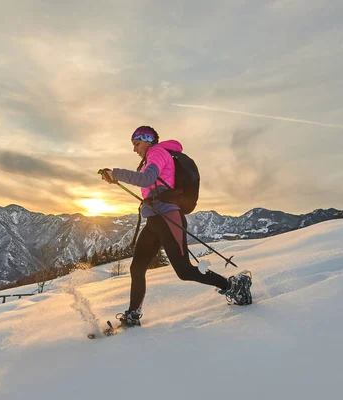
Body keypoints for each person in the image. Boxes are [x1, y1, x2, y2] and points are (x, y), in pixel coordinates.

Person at [101, 126, 252, 327]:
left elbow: (147, 179)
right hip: (154, 221)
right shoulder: (150, 159)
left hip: (168, 219)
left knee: (184, 271)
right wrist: (115, 179)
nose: (135, 150)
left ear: (147, 141)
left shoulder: (158, 153)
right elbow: (149, 183)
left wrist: (116, 173)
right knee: (137, 267)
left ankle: (233, 286)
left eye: (137, 144)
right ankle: (133, 314)